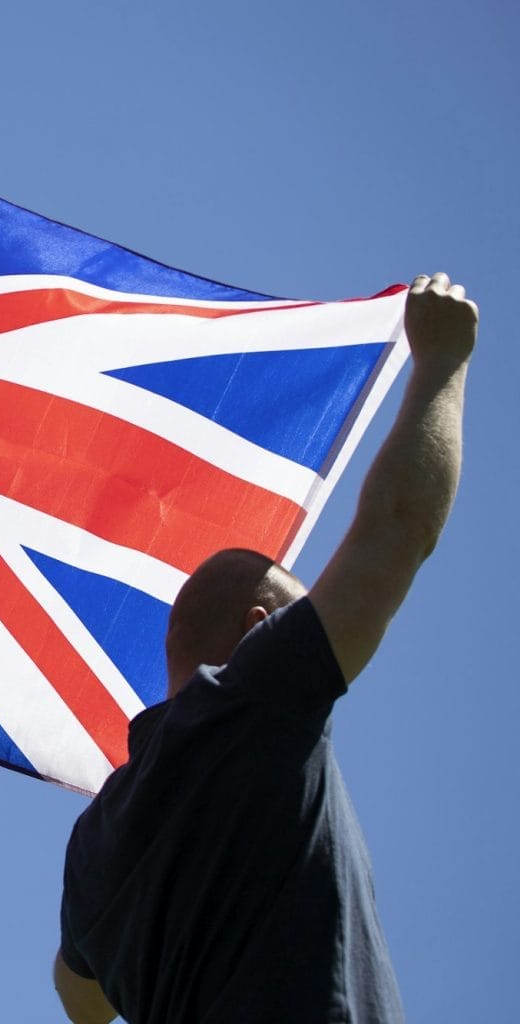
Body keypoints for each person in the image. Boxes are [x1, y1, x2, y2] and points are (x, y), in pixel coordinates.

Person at [53, 273, 478, 1023]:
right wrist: (443, 360)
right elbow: (397, 532)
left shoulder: (98, 838)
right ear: (259, 630)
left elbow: (79, 1000)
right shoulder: (252, 699)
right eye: (296, 620)